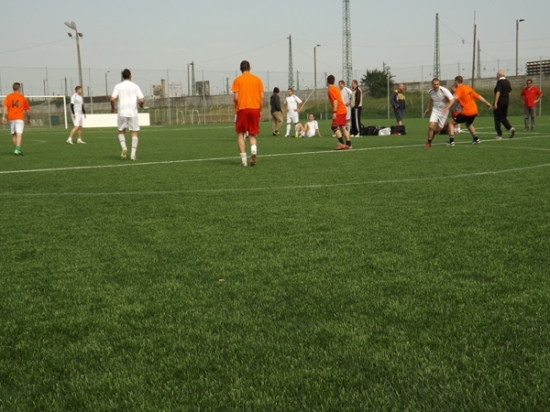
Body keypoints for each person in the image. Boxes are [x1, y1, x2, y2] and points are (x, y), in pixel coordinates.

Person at [231, 60, 264, 167]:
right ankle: (253, 150)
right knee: (252, 133)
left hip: (242, 109)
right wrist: (260, 110)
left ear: (240, 69)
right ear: (250, 68)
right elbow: (262, 97)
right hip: (255, 109)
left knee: (240, 133)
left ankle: (244, 161)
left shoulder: (237, 80)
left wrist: (237, 106)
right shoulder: (257, 80)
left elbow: (236, 97)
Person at [442, 75, 492, 146]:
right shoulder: (468, 88)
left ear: (456, 82)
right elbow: (478, 96)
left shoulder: (459, 88)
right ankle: (476, 139)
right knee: (468, 124)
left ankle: (451, 142)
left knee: (451, 123)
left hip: (467, 112)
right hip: (474, 111)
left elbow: (454, 98)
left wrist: (447, 107)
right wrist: (487, 103)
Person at [110, 69, 145, 161]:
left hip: (122, 112)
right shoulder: (135, 86)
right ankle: (133, 154)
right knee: (134, 132)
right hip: (133, 112)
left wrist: (112, 108)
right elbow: (142, 100)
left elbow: (112, 99)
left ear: (122, 76)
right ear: (130, 76)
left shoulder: (118, 86)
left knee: (121, 131)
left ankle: (124, 147)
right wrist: (141, 105)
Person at [423, 78, 454, 148]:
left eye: (437, 84)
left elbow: (452, 100)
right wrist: (428, 108)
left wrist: (446, 108)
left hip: (443, 112)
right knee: (431, 126)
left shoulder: (444, 90)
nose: (436, 86)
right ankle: (429, 142)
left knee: (438, 130)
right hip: (435, 110)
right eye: (434, 84)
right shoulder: (430, 91)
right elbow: (431, 99)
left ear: (439, 84)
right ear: (432, 84)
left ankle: (433, 134)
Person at [2, 82, 30, 156]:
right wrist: (29, 119)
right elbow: (27, 111)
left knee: (13, 134)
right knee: (19, 133)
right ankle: (17, 149)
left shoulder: (8, 96)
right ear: (19, 88)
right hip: (19, 118)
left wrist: (3, 116)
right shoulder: (23, 97)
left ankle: (16, 149)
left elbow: (5, 107)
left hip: (11, 118)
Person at [327, 75, 351, 150]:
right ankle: (349, 144)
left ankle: (341, 143)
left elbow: (335, 101)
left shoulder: (330, 89)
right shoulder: (336, 88)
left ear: (327, 81)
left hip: (339, 111)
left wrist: (334, 112)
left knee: (334, 126)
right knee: (343, 127)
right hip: (343, 109)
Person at [493, 70, 515, 140]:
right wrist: (506, 99)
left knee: (497, 118)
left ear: (499, 75)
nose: (496, 76)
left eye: (497, 75)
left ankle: (499, 134)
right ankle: (510, 128)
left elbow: (498, 92)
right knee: (503, 117)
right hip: (506, 101)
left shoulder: (500, 82)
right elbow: (509, 92)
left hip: (500, 102)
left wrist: (496, 102)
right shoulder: (507, 82)